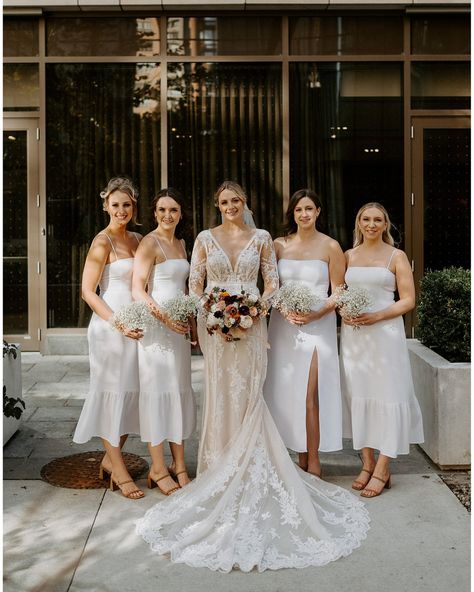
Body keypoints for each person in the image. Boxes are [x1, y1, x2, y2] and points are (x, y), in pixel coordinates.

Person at [136, 181, 369, 572]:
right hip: (214, 325)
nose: (230, 206)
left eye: (236, 201)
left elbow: (272, 280)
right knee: (219, 392)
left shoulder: (262, 237)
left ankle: (253, 462)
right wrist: (209, 310)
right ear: (217, 204)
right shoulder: (204, 238)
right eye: (224, 201)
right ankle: (218, 466)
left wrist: (255, 308)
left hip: (251, 323)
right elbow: (195, 283)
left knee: (248, 393)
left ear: (245, 204)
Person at [340, 202, 424, 498]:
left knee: (389, 394)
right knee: (358, 393)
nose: (372, 224)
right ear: (358, 222)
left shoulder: (396, 256)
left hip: (386, 335)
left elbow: (408, 300)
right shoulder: (348, 255)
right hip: (355, 337)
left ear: (385, 224)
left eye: (378, 220)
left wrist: (378, 315)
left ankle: (384, 466)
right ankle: (367, 462)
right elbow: (339, 293)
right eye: (366, 219)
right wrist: (343, 312)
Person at [264, 189, 345, 478]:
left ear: (318, 211)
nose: (304, 214)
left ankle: (313, 458)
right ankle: (296, 453)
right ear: (292, 214)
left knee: (310, 394)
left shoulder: (331, 247)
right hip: (283, 327)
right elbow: (270, 287)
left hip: (317, 326)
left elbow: (338, 292)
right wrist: (283, 310)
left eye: (309, 208)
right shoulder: (278, 245)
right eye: (299, 210)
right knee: (287, 392)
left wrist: (316, 313)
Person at [73, 177, 144, 500]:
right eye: (115, 205)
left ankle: (108, 459)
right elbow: (88, 291)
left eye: (126, 205)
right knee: (112, 395)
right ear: (105, 206)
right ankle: (119, 469)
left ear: (134, 206)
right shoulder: (102, 242)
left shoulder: (139, 240)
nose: (121, 210)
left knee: (132, 394)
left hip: (136, 326)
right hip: (109, 326)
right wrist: (118, 323)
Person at [132, 188, 196, 496]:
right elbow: (138, 290)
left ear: (181, 214)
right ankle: (158, 467)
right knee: (158, 393)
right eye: (162, 210)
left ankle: (179, 463)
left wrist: (191, 324)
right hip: (157, 330)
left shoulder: (182, 243)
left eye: (173, 210)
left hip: (179, 330)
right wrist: (164, 319)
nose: (167, 215)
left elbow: (184, 290)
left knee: (178, 392)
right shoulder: (149, 242)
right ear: (154, 213)